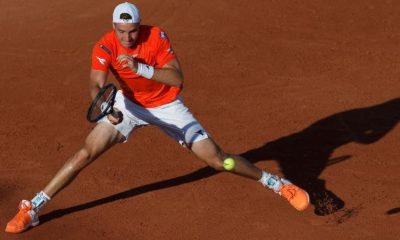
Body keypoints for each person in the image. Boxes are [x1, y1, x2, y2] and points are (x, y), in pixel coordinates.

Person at [5, 2, 309, 234]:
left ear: (139, 26)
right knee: (84, 153)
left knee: (219, 160)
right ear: (113, 27)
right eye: (121, 31)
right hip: (128, 105)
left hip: (167, 107)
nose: (127, 37)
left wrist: (141, 69)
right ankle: (34, 207)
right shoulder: (104, 46)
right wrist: (105, 106)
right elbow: (96, 85)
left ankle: (277, 184)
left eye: (132, 31)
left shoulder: (156, 37)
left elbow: (176, 78)